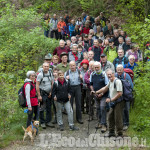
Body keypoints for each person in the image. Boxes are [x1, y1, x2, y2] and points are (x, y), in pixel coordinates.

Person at [95, 69, 124, 137]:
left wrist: (111, 99)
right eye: (108, 74)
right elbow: (105, 88)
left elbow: (120, 94)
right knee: (110, 117)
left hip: (118, 102)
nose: (109, 75)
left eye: (110, 74)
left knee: (118, 118)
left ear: (113, 74)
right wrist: (96, 92)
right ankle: (111, 132)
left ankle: (120, 134)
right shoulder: (110, 81)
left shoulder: (117, 81)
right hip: (113, 102)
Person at [90, 61, 109, 132]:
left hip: (103, 95)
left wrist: (102, 93)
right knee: (97, 108)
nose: (96, 68)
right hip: (95, 94)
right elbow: (91, 84)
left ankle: (104, 124)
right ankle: (99, 122)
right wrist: (92, 91)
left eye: (98, 67)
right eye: (95, 67)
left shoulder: (104, 74)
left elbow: (107, 86)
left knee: (102, 108)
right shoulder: (92, 74)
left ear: (100, 67)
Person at [36, 62, 54, 129]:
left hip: (49, 93)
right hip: (42, 93)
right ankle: (43, 122)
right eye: (45, 66)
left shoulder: (50, 73)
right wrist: (39, 95)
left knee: (49, 108)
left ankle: (48, 121)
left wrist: (51, 92)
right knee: (42, 108)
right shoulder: (40, 75)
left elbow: (52, 82)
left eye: (47, 66)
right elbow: (37, 85)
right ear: (42, 67)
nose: (46, 67)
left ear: (49, 67)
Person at [115, 64, 133, 131]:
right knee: (119, 110)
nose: (119, 71)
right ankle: (120, 123)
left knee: (126, 109)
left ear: (123, 70)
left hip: (126, 96)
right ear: (116, 70)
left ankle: (126, 124)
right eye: (118, 70)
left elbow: (131, 86)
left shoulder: (126, 76)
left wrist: (128, 93)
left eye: (120, 70)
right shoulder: (115, 76)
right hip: (118, 95)